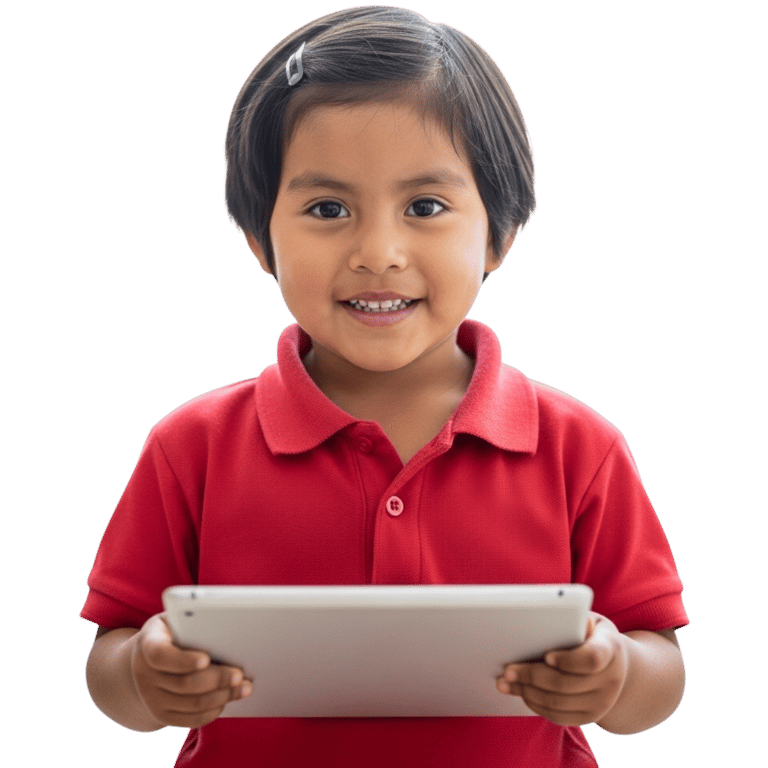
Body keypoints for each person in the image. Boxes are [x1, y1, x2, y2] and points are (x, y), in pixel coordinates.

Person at [80, 6, 688, 767]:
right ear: (257, 236)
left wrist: (616, 678)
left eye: (425, 207)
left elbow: (658, 666)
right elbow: (112, 659)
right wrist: (144, 678)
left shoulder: (580, 447)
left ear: (499, 233)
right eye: (327, 208)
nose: (378, 252)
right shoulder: (191, 447)